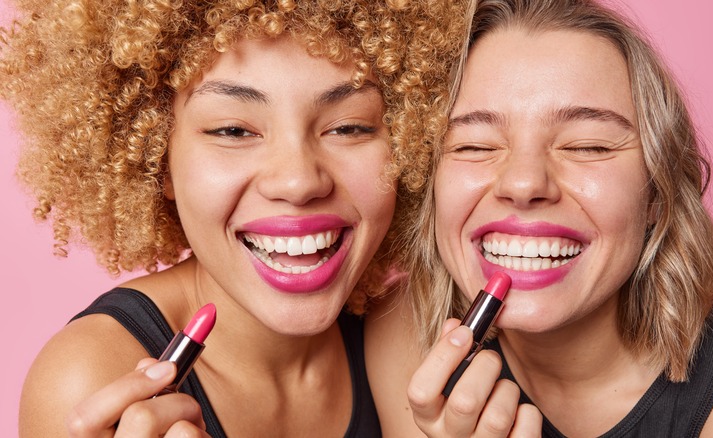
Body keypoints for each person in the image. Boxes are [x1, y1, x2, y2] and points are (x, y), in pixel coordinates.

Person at [0, 0, 466, 436]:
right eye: (233, 130)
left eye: (348, 127)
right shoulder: (91, 379)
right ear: (158, 157)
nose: (299, 181)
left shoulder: (408, 329)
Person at [368, 0, 713, 436]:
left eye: (588, 146)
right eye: (475, 146)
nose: (524, 183)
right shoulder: (402, 334)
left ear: (657, 194)